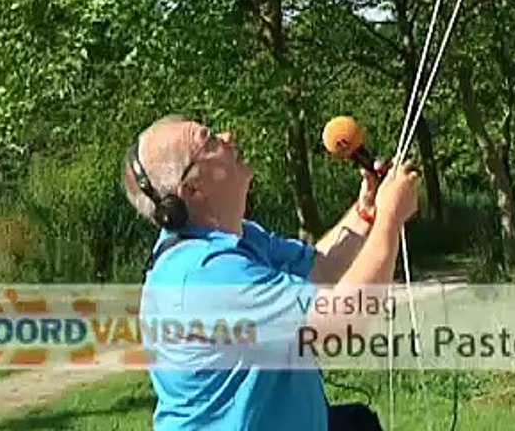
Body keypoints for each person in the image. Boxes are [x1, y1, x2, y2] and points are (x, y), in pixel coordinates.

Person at [121, 114, 420, 431]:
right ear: (193, 189)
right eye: (208, 141)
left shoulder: (240, 238)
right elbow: (341, 323)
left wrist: (367, 213)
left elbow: (319, 267)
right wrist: (390, 217)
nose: (227, 135)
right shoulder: (204, 275)